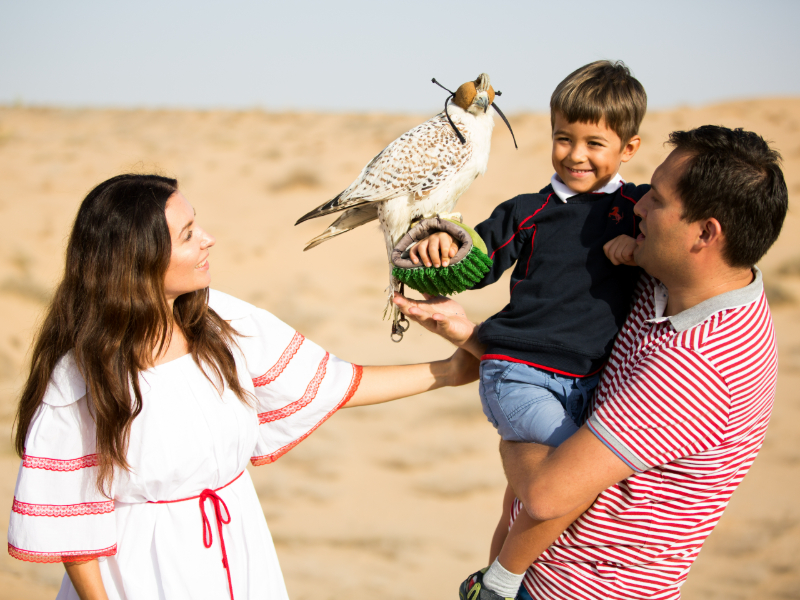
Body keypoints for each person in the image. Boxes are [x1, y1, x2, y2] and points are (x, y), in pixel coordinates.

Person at [7, 174, 478, 600]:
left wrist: (450, 371)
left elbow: (332, 383)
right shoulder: (82, 373)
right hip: (141, 572)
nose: (208, 240)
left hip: (238, 546)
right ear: (139, 258)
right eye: (188, 234)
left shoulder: (220, 319)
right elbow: (72, 527)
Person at [395, 124, 788, 599]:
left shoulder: (706, 363)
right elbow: (561, 349)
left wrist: (511, 429)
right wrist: (475, 338)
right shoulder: (658, 281)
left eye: (657, 201)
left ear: (705, 234)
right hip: (535, 578)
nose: (637, 204)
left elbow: (543, 492)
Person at [406, 60, 649, 599]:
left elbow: (676, 251)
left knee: (519, 503)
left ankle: (493, 574)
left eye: (594, 143)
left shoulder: (640, 209)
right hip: (517, 374)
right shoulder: (527, 210)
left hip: (592, 384)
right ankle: (498, 584)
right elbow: (474, 262)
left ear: (628, 149)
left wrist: (639, 248)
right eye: (563, 138)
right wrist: (442, 243)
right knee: (570, 481)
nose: (576, 155)